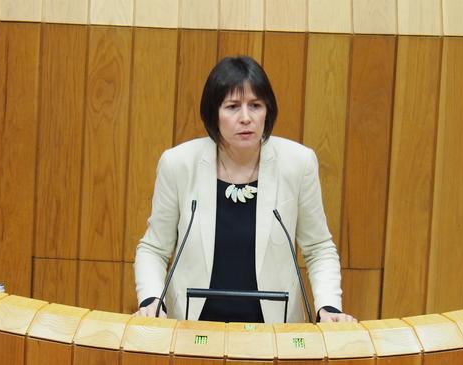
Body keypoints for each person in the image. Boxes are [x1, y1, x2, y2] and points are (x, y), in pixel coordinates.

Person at [134, 56, 355, 324]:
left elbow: (318, 248)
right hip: (191, 328)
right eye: (232, 107)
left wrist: (328, 306)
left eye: (255, 106)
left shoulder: (297, 163)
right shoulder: (179, 164)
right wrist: (151, 300)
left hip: (274, 332)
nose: (246, 118)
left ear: (268, 111)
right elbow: (154, 248)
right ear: (213, 113)